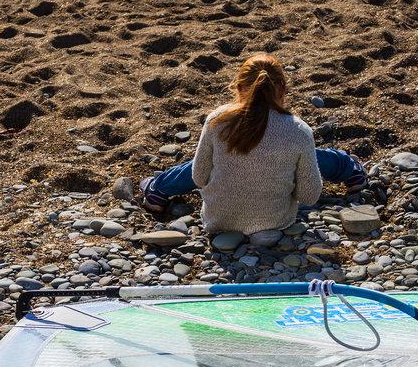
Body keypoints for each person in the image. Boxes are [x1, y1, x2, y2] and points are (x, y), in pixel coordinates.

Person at [138, 54, 368, 235]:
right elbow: (309, 197)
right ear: (283, 89)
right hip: (276, 222)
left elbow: (199, 177)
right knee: (301, 156)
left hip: (218, 221)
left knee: (217, 159)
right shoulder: (298, 130)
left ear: (238, 88)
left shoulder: (217, 120)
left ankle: (160, 188)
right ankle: (349, 170)